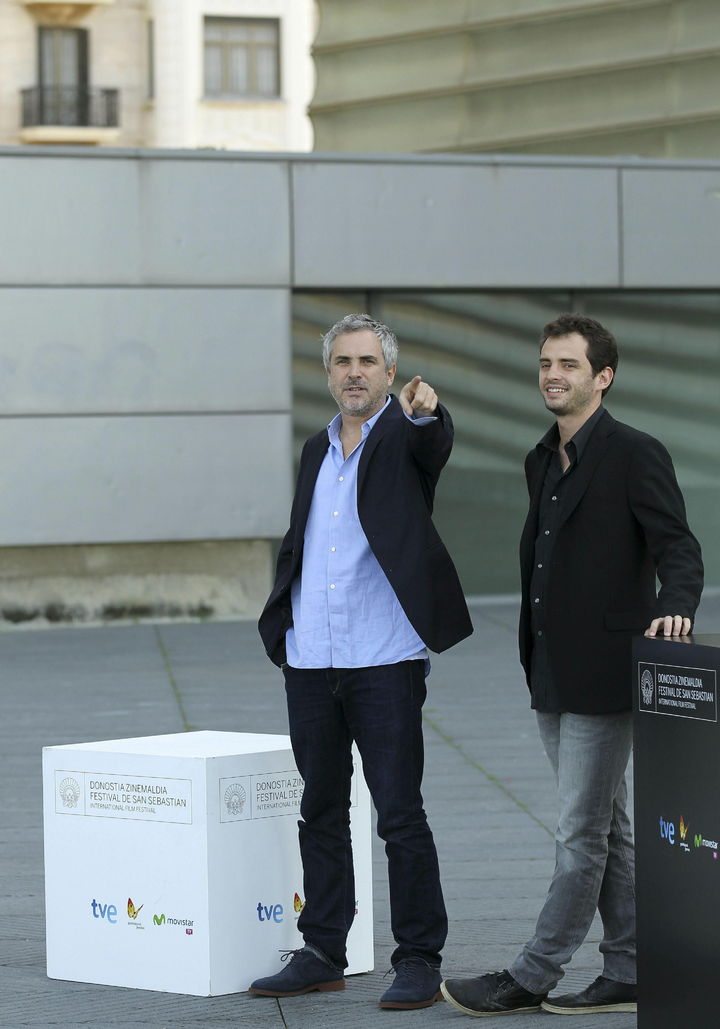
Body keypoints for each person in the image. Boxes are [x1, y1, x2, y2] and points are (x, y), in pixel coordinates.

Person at [442, 313, 703, 1018]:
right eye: (545, 363)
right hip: (551, 666)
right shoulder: (541, 458)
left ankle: (532, 973)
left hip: (607, 671)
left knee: (579, 834)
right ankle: (632, 967)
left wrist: (676, 606)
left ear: (603, 377)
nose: (552, 375)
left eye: (569, 364)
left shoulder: (635, 452)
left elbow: (678, 545)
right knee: (607, 826)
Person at [251, 312, 473, 1010]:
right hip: (311, 657)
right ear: (328, 372)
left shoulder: (405, 436)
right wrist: (284, 626)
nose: (354, 372)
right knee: (319, 808)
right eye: (343, 361)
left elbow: (434, 442)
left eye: (367, 361)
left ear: (389, 372)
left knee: (399, 814)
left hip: (382, 658)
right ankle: (322, 950)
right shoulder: (314, 450)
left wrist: (427, 413)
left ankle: (419, 958)